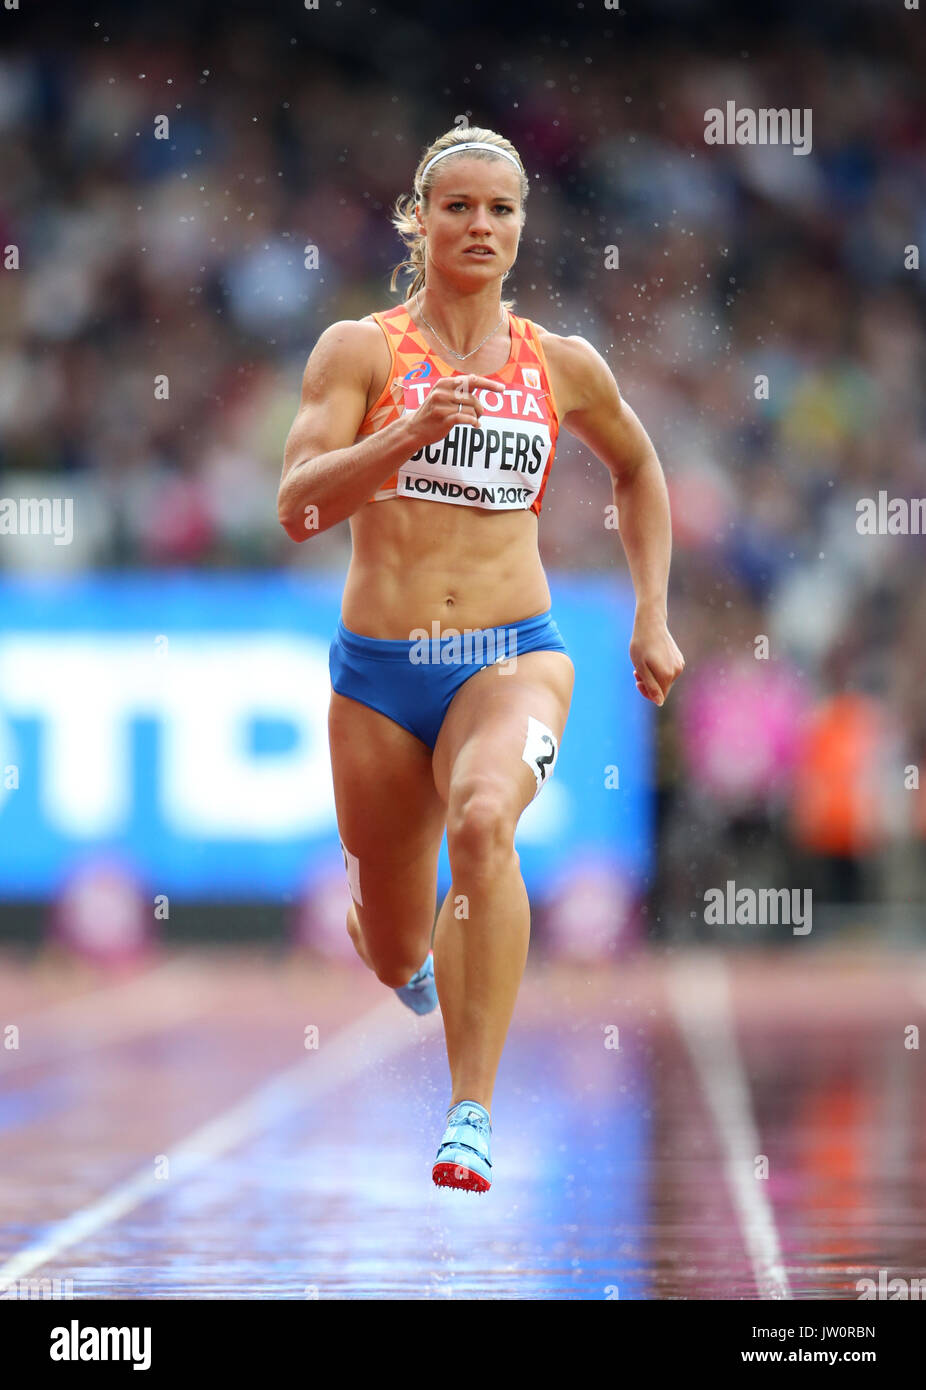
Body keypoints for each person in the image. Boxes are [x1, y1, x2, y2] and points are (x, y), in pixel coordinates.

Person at [278, 127, 684, 1192]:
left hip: (510, 655)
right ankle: (400, 951)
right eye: (456, 207)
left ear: (521, 228)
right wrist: (399, 438)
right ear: (417, 221)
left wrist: (651, 612)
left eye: (499, 210)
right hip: (378, 674)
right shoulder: (357, 352)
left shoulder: (559, 363)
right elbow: (297, 506)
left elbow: (639, 472)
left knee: (482, 819)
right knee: (388, 941)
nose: (479, 227)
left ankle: (469, 1111)